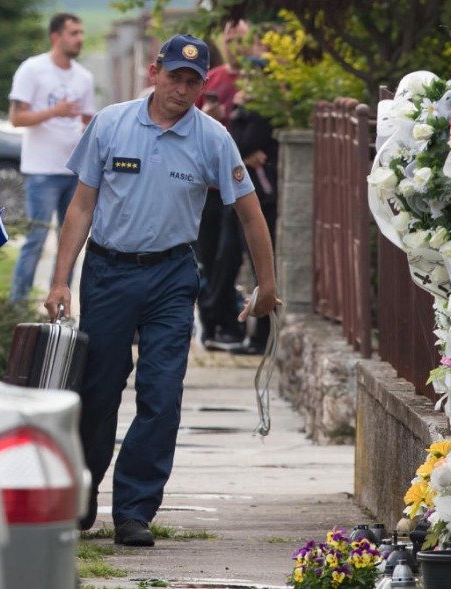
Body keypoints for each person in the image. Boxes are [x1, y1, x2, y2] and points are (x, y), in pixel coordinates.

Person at [44, 34, 280, 547]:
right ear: (155, 71)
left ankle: (133, 509)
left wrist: (267, 283)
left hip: (172, 276)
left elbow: (249, 211)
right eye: (175, 77)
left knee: (162, 392)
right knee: (99, 388)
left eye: (193, 82)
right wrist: (61, 279)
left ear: (204, 86)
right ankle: (81, 496)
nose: (182, 89)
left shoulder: (213, 138)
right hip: (108, 273)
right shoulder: (111, 123)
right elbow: (81, 206)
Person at [7, 13, 96, 303]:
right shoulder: (32, 69)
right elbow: (17, 118)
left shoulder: (84, 77)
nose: (79, 38)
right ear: (55, 37)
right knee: (36, 239)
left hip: (74, 172)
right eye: (73, 33)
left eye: (81, 32)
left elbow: (86, 120)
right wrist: (54, 112)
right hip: (41, 170)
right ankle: (17, 305)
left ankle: (59, 304)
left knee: (69, 242)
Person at [195, 19, 253, 350]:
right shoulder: (212, 79)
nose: (234, 45)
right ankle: (210, 323)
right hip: (208, 188)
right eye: (229, 38)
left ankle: (224, 319)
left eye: (240, 39)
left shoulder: (259, 84)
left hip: (239, 187)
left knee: (227, 258)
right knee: (206, 258)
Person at [227, 61, 279, 355]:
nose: (244, 82)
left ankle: (261, 337)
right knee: (246, 266)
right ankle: (253, 333)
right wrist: (243, 156)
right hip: (247, 196)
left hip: (263, 197)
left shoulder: (263, 110)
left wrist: (241, 149)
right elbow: (235, 147)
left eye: (250, 77)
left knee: (262, 266)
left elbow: (240, 143)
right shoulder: (244, 111)